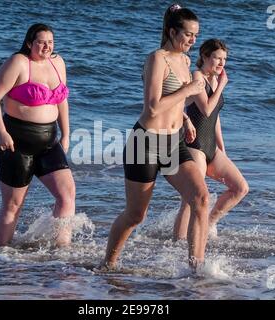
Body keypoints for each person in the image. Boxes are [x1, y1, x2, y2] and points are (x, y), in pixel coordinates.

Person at [103, 4, 209, 270]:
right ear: (173, 32)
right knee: (136, 215)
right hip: (146, 143)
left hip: (173, 142)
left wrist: (184, 118)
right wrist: (188, 91)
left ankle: (196, 269)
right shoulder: (156, 59)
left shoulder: (185, 61)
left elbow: (174, 101)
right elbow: (151, 107)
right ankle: (108, 264)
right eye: (188, 34)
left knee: (201, 198)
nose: (193, 40)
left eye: (196, 35)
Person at [0, 23, 76, 247]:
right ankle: (1, 254)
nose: (46, 47)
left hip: (49, 142)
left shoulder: (58, 62)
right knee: (13, 206)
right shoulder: (18, 63)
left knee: (66, 196)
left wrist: (66, 134)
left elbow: (61, 100)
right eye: (41, 42)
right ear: (29, 43)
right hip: (17, 143)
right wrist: (1, 132)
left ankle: (61, 250)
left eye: (50, 42)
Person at [173, 39, 249, 241]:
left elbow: (215, 118)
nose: (221, 63)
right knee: (190, 200)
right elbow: (206, 109)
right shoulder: (197, 76)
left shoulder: (215, 80)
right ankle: (176, 244)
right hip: (194, 145)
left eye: (224, 59)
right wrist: (222, 85)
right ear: (205, 56)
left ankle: (208, 223)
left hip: (211, 147)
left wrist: (222, 149)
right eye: (217, 58)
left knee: (240, 188)